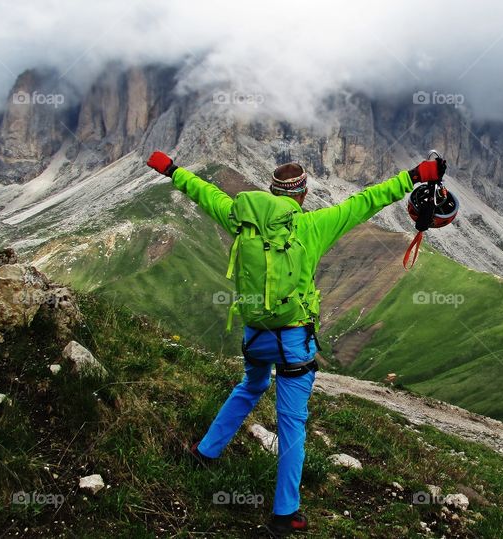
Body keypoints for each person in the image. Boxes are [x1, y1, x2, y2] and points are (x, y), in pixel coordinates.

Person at [146, 150, 446, 536]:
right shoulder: (315, 226)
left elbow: (204, 193)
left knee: (251, 386)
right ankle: (285, 513)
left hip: (254, 336)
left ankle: (205, 453)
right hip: (293, 343)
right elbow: (369, 199)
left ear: (271, 191)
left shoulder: (241, 217)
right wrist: (415, 175)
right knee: (291, 422)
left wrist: (171, 169)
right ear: (303, 195)